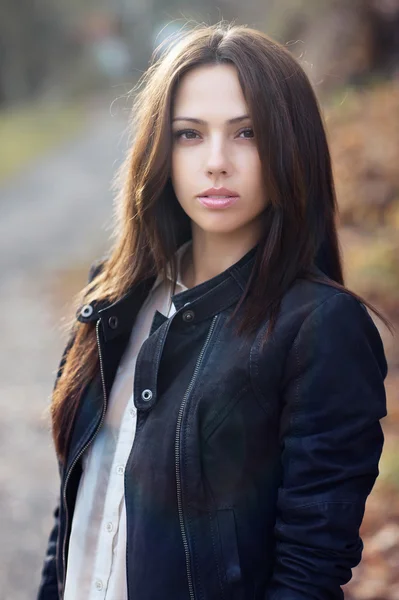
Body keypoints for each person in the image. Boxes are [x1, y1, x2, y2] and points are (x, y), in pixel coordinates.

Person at [36, 22, 392, 600]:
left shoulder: (320, 329)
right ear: (160, 149)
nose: (217, 162)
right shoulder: (111, 298)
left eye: (247, 133)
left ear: (289, 145)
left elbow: (310, 571)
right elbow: (76, 507)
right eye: (189, 135)